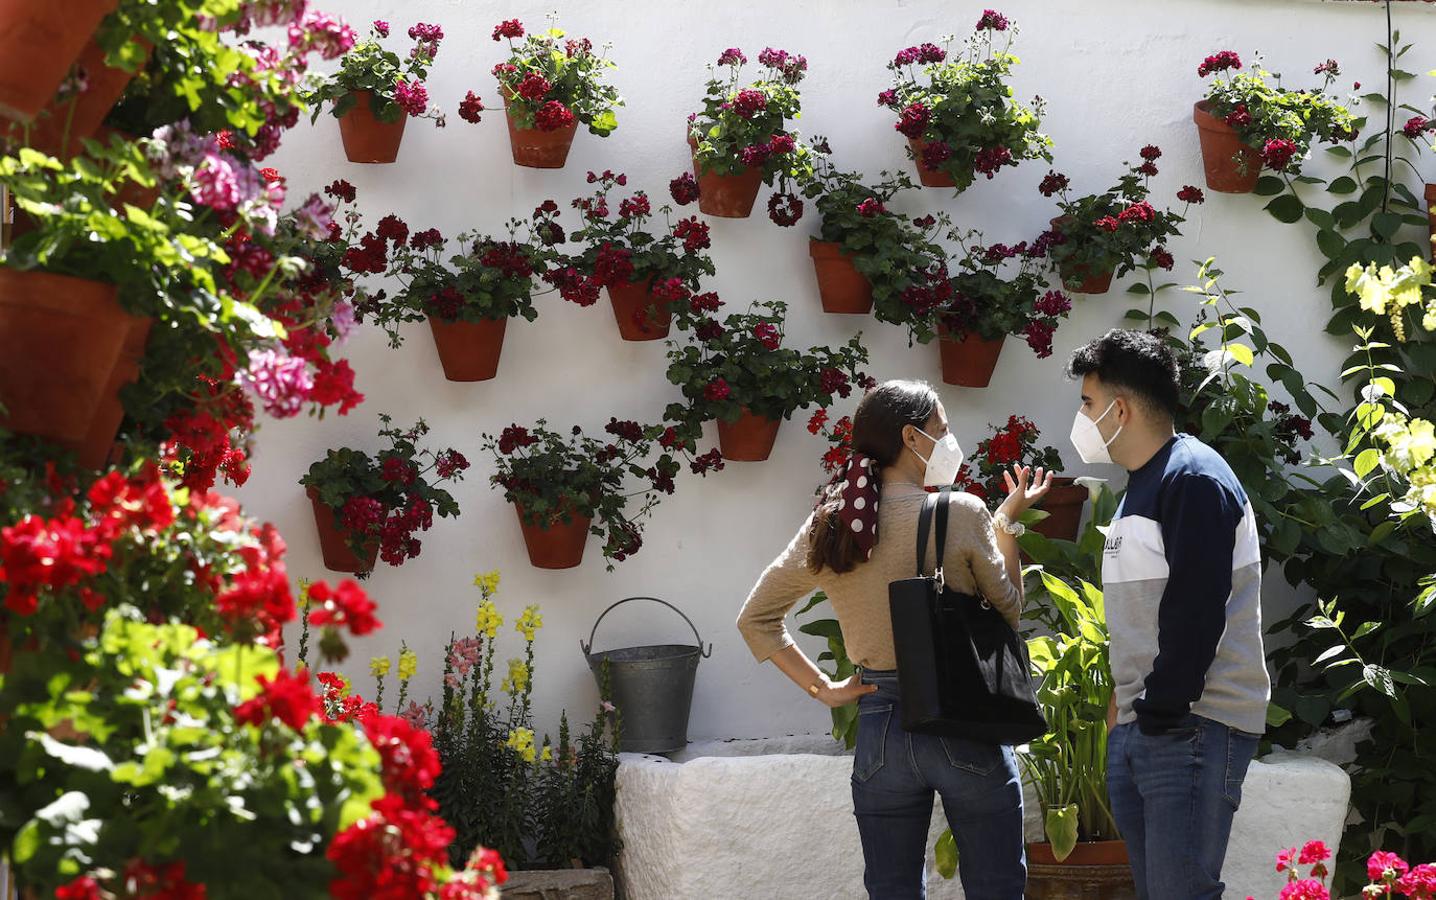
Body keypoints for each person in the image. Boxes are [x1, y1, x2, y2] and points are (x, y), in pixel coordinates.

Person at [736, 379, 1052, 900]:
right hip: (964, 717)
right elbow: (1010, 612)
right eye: (942, 431)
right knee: (996, 887)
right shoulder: (961, 512)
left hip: (880, 724)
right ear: (911, 437)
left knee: (891, 889)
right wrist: (1007, 524)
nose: (950, 442)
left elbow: (757, 617)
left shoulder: (832, 523)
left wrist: (825, 690)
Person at [1066, 329, 1270, 900]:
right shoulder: (1145, 485)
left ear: (1120, 408)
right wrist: (1122, 721)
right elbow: (1142, 621)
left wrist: (1159, 713)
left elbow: (1196, 610)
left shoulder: (1193, 479)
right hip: (1149, 728)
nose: (1081, 417)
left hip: (1190, 728)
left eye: (1087, 402)